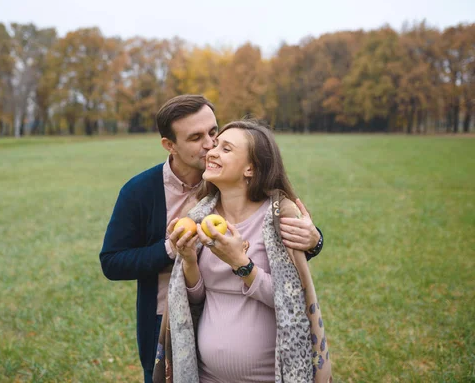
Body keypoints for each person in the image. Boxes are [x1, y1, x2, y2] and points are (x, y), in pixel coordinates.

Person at [100, 95, 325, 383]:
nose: (209, 145)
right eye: (196, 138)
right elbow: (111, 262)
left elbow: (287, 264)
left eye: (213, 133)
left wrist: (315, 240)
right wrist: (173, 250)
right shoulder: (139, 191)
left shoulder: (239, 189)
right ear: (170, 145)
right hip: (165, 320)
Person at [161, 119, 332, 382]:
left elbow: (292, 302)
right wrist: (189, 261)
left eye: (226, 149)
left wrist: (242, 264)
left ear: (251, 168)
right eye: (215, 145)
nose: (212, 152)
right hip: (208, 376)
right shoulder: (199, 217)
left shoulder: (279, 219)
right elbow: (195, 300)